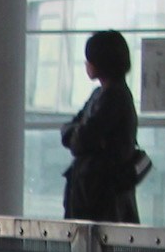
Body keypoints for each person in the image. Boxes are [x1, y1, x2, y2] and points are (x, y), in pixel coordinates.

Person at [61, 29, 142, 224]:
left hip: (101, 197)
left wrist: (75, 133)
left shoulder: (112, 97)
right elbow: (73, 130)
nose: (86, 64)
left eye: (89, 59)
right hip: (97, 194)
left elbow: (80, 138)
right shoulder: (104, 94)